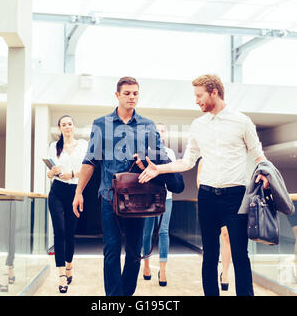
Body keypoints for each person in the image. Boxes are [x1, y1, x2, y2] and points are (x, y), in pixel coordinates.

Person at [138, 74, 270, 296]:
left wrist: (265, 174)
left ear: (214, 92)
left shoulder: (241, 121)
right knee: (209, 255)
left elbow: (258, 155)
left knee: (240, 254)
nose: (196, 100)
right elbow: (187, 162)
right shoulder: (198, 125)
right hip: (208, 196)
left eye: (199, 95)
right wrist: (159, 169)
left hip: (236, 196)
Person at [72, 76, 184, 296]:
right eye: (127, 93)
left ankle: (126, 295)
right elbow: (90, 161)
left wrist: (165, 170)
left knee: (134, 253)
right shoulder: (101, 124)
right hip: (109, 197)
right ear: (117, 95)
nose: (132, 97)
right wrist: (78, 191)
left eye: (135, 93)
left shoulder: (148, 126)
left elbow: (160, 159)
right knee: (111, 251)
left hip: (138, 199)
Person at [47, 115, 88, 294]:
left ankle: (69, 265)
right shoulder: (53, 147)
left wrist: (71, 174)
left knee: (70, 233)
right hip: (57, 191)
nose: (67, 127)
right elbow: (50, 174)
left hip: (75, 192)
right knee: (60, 232)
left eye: (70, 124)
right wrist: (52, 172)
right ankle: (62, 275)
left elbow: (88, 170)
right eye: (63, 125)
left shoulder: (83, 146)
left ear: (74, 126)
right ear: (60, 128)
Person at [142, 123, 176, 287]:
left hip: (166, 197)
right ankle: (146, 264)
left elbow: (173, 175)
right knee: (146, 232)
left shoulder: (170, 153)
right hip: (147, 197)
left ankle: (162, 270)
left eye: (162, 131)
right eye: (156, 131)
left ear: (165, 134)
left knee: (163, 232)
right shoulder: (145, 152)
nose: (159, 134)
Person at [197, 158, 232, 291]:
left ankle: (225, 273)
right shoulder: (203, 161)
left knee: (226, 235)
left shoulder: (227, 158)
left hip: (227, 202)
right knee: (211, 248)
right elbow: (199, 183)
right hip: (209, 203)